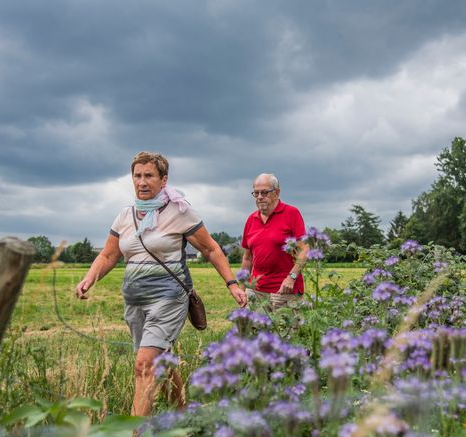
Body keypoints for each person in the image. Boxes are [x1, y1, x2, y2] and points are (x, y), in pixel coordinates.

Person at [76, 152, 247, 416]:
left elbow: (211, 249)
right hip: (135, 301)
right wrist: (90, 278)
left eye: (149, 176)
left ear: (163, 180)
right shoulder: (125, 215)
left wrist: (232, 283)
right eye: (137, 176)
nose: (142, 182)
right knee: (161, 361)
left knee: (144, 364)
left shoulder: (180, 212)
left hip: (168, 298)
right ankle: (184, 415)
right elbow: (109, 254)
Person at [240, 173, 308, 311]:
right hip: (256, 292)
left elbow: (305, 250)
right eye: (256, 193)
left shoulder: (291, 213)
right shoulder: (251, 219)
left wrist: (292, 277)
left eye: (264, 192)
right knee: (253, 332)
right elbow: (247, 258)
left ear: (276, 192)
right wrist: (243, 288)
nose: (259, 197)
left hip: (285, 291)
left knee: (287, 332)